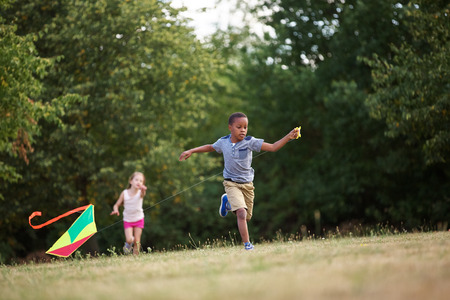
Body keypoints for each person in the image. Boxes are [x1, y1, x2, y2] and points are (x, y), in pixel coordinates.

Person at [179, 112, 300, 250]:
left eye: (245, 127)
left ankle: (228, 203)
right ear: (230, 127)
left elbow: (273, 147)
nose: (243, 130)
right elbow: (210, 147)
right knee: (241, 213)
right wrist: (192, 150)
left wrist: (289, 136)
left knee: (246, 217)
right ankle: (247, 245)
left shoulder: (250, 142)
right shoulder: (223, 142)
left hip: (247, 186)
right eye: (239, 127)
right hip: (231, 183)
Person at [111, 172, 147, 255]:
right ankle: (127, 245)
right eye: (136, 180)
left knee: (137, 242)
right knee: (129, 239)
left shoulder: (140, 192)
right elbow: (116, 204)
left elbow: (143, 193)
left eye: (141, 181)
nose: (139, 182)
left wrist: (143, 190)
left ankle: (135, 259)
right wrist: (116, 210)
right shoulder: (125, 193)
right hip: (128, 220)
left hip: (139, 219)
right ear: (131, 181)